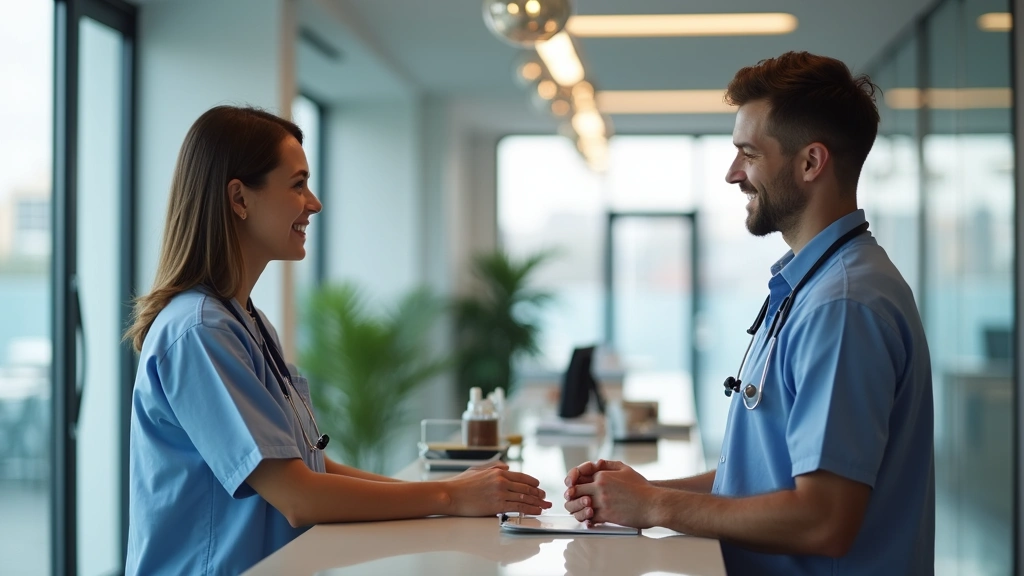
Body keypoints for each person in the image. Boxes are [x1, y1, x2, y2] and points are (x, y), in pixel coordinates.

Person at [124, 105, 551, 576]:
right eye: (297, 184)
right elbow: (297, 497)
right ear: (239, 199)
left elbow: (311, 467)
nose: (314, 203)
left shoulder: (245, 320)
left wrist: (445, 496)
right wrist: (449, 496)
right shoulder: (201, 331)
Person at [563, 52, 934, 575]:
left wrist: (654, 506)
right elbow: (760, 481)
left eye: (749, 154)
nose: (732, 174)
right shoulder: (812, 287)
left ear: (810, 163)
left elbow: (823, 521)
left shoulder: (844, 306)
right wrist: (635, 491)